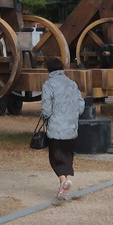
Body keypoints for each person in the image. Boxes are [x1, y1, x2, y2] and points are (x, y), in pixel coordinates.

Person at [40, 55, 84, 201]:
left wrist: (46, 117)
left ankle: (63, 181)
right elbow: (81, 105)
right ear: (62, 69)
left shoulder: (48, 85)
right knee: (66, 157)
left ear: (49, 70)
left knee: (55, 157)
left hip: (56, 127)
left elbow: (47, 109)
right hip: (71, 128)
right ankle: (63, 185)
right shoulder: (72, 84)